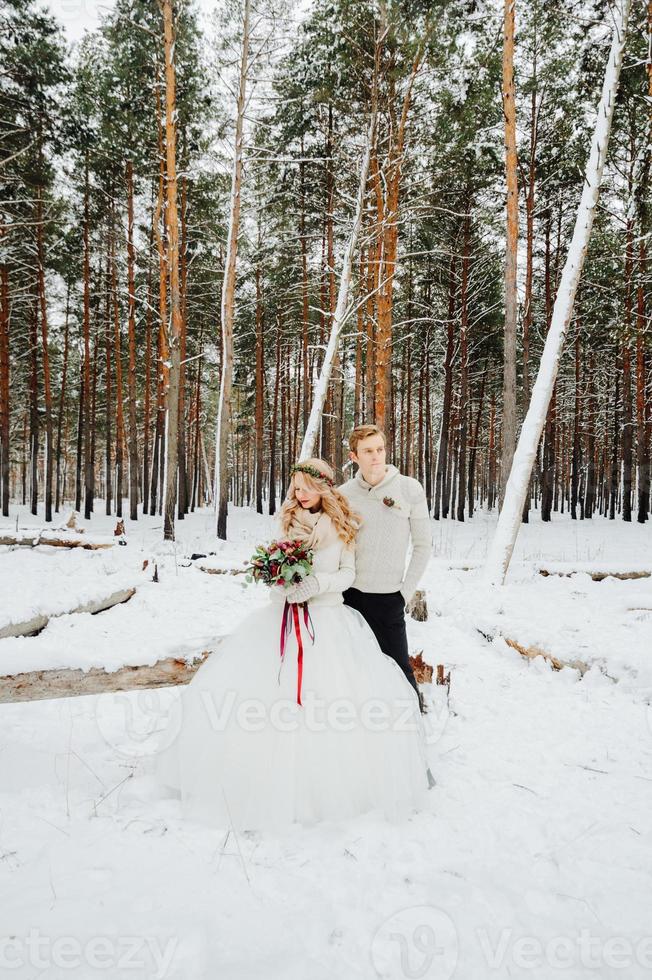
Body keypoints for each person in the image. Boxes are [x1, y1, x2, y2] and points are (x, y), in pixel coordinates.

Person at [155, 458, 432, 834]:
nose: (297, 495)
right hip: (283, 621)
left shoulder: (342, 523)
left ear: (323, 488)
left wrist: (316, 586)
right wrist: (281, 585)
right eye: (295, 488)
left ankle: (332, 788)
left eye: (304, 487)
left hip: (329, 622)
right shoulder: (287, 520)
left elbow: (347, 574)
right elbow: (277, 566)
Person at [338, 424, 433, 715]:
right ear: (354, 456)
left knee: (398, 667)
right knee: (353, 664)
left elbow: (423, 546)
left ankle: (414, 725)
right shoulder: (344, 494)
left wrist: (403, 594)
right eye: (368, 451)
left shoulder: (407, 488)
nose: (376, 456)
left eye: (379, 449)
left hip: (389, 597)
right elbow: (337, 542)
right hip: (350, 596)